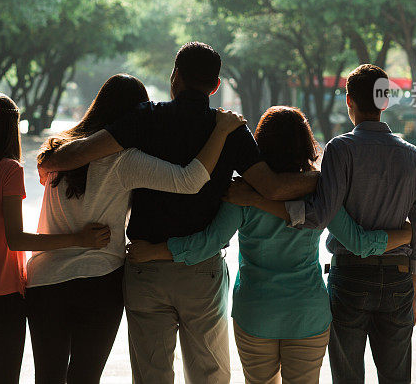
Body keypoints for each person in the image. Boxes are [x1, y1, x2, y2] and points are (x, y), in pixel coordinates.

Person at [38, 42, 318, 384]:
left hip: (146, 268)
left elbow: (82, 153)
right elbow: (273, 188)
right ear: (215, 86)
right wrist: (327, 176)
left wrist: (51, 157)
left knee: (152, 375)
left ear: (175, 78)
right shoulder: (230, 129)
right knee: (209, 374)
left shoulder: (145, 118)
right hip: (202, 272)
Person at [127, 106, 413, 384]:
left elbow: (207, 244)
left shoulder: (241, 194)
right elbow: (358, 243)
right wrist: (406, 235)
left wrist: (155, 250)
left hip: (256, 312)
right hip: (307, 314)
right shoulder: (321, 194)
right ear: (305, 143)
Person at [26, 74, 247, 384]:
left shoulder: (57, 152)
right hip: (99, 278)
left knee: (47, 377)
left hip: (45, 279)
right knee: (84, 377)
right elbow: (190, 180)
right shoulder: (124, 161)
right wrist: (221, 131)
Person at [233, 64, 416, 384]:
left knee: (347, 376)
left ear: (349, 101)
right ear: (384, 102)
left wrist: (262, 198)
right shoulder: (413, 155)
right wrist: (414, 291)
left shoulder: (341, 147)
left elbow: (320, 214)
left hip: (350, 276)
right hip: (398, 278)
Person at [0, 92, 111, 384]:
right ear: (10, 129)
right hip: (3, 294)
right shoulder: (8, 170)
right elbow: (15, 239)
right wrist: (78, 238)